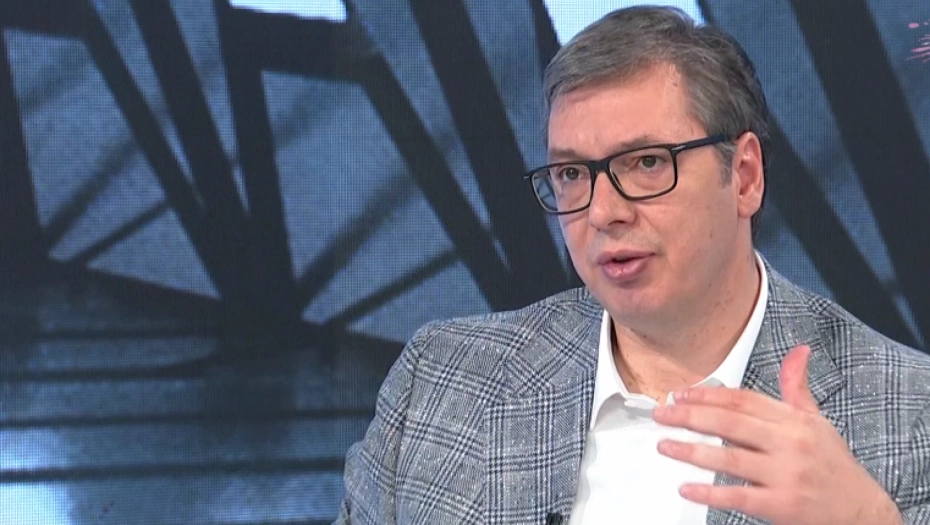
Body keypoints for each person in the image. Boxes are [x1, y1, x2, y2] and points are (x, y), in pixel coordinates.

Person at [335, 6, 930, 524]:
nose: (603, 212)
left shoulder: (910, 418)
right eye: (573, 174)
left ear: (745, 176)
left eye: (647, 163)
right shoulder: (441, 382)